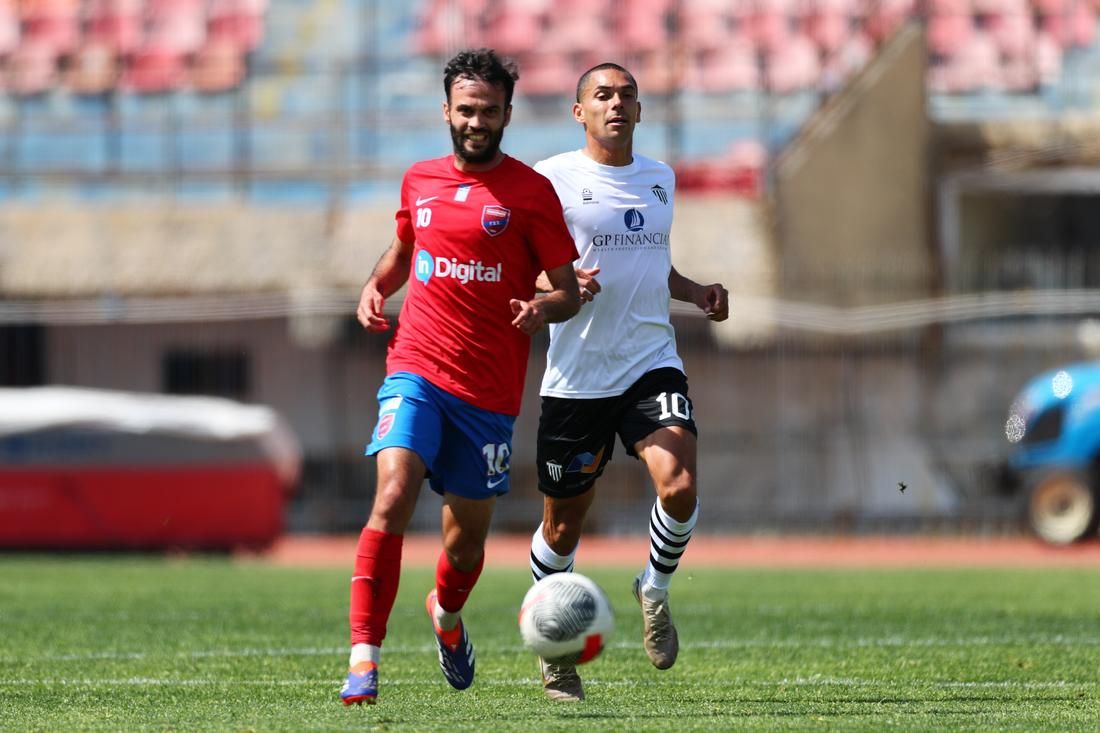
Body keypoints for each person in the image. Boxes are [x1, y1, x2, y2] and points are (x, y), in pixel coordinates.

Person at [340, 48, 581, 706]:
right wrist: (375, 285)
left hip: (487, 395)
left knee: (466, 545)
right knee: (392, 495)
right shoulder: (419, 180)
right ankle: (363, 658)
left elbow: (567, 290)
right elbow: (402, 250)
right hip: (416, 368)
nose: (477, 122)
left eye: (490, 111)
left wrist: (542, 308)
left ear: (508, 114)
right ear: (446, 111)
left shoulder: (531, 194)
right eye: (467, 110)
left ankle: (446, 616)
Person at [528, 62, 729, 702]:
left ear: (639, 111)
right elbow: (523, 267)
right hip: (578, 376)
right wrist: (556, 283)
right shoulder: (550, 179)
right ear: (579, 111)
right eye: (602, 95)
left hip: (650, 361)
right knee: (563, 529)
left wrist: (695, 291)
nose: (616, 104)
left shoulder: (660, 178)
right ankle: (555, 648)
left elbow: (652, 265)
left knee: (681, 484)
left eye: (627, 95)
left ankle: (655, 589)